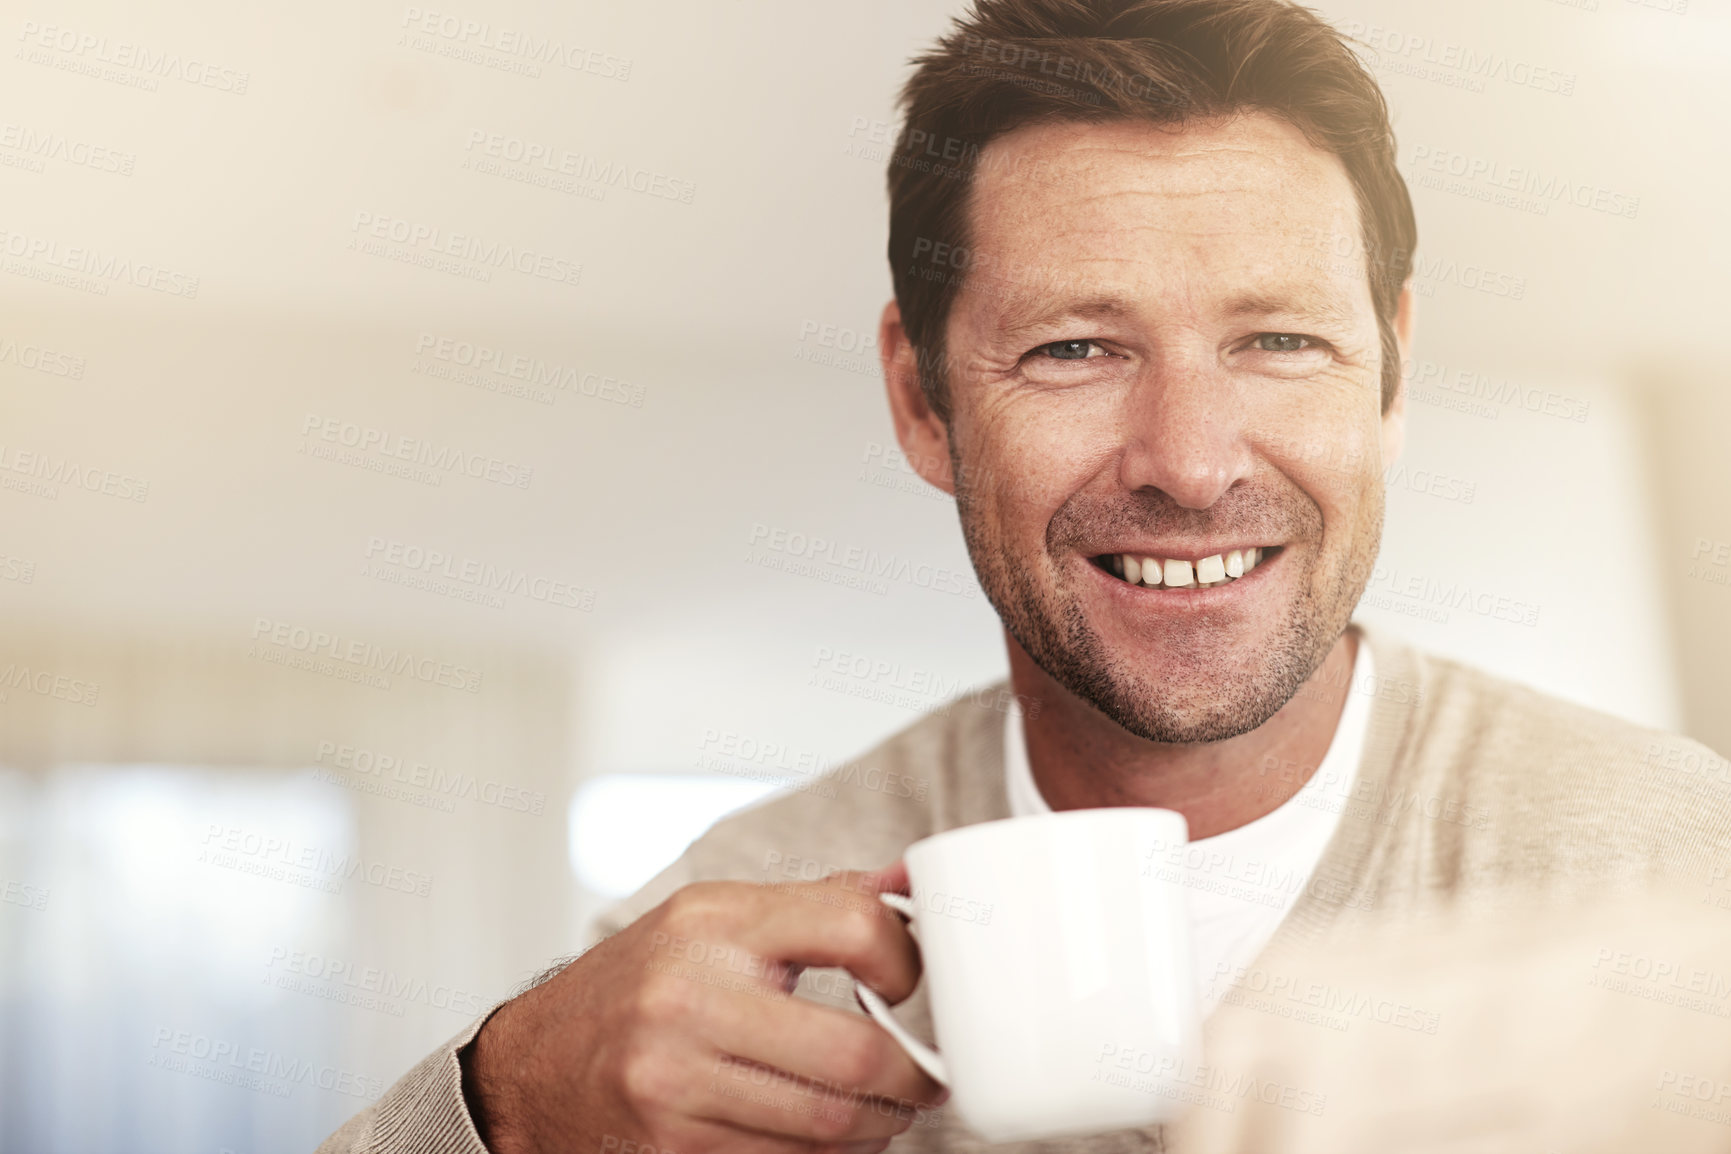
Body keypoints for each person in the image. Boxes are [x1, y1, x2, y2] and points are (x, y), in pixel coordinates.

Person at [318, 1, 1731, 1151]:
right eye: (1075, 348)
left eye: (1279, 341)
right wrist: (509, 1102)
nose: (1188, 459)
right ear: (924, 401)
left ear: (1393, 374)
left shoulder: (1682, 867)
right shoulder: (720, 954)